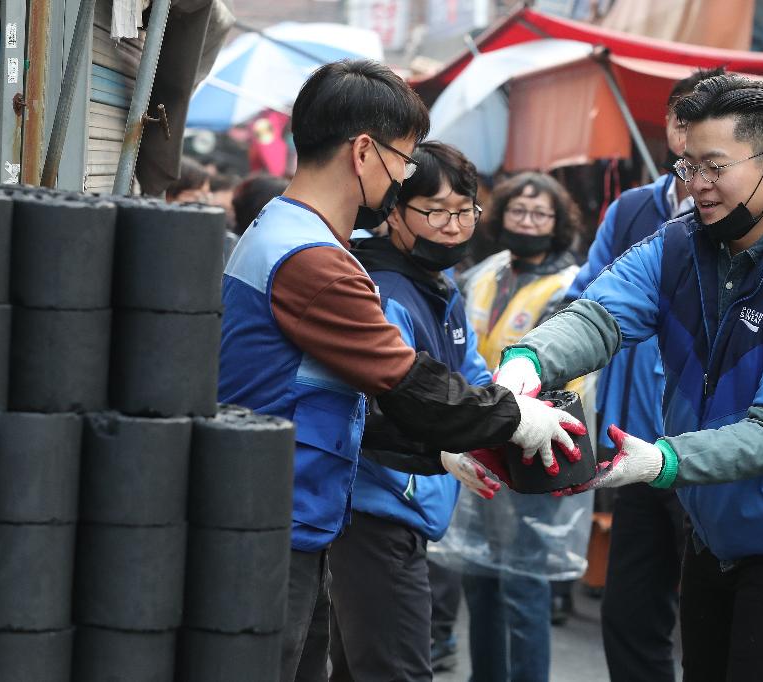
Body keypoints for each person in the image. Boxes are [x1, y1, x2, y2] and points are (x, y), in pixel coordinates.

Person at [217, 60, 587, 682]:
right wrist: (518, 418)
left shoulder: (286, 232)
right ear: (364, 152)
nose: (404, 177)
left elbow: (329, 396)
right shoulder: (313, 260)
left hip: (282, 509)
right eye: (405, 160)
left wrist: (438, 454)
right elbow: (408, 383)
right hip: (271, 518)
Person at [489, 74, 763, 682]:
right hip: (709, 526)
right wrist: (524, 364)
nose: (696, 186)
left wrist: (660, 460)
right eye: (688, 166)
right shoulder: (677, 245)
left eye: (714, 167)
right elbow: (598, 315)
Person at [563, 68, 722, 682]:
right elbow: (586, 302)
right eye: (682, 119)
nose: (689, 136)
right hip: (635, 447)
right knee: (630, 614)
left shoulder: (761, 221)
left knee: (711, 616)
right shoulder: (633, 210)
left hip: (712, 453)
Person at [328, 141, 497, 681]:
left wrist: (503, 415)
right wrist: (453, 446)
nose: (453, 225)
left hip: (404, 505)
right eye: (435, 210)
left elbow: (472, 374)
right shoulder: (384, 289)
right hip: (377, 507)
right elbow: (382, 404)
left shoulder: (438, 286)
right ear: (394, 212)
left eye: (465, 210)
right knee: (398, 668)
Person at [457, 171, 589, 682]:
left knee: (524, 583)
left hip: (538, 439)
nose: (527, 221)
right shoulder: (485, 271)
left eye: (540, 214)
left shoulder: (570, 284)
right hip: (478, 432)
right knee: (480, 576)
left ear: (557, 224)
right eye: (518, 211)